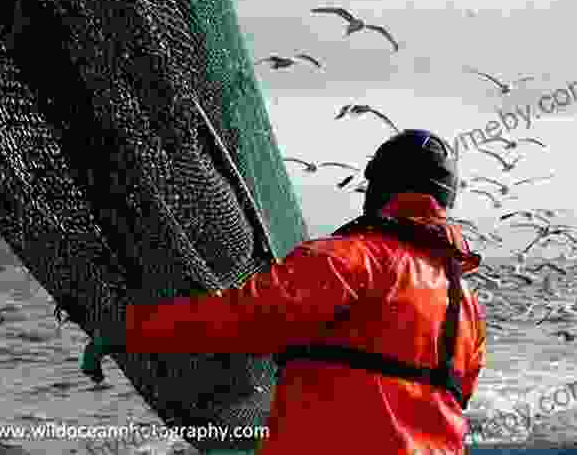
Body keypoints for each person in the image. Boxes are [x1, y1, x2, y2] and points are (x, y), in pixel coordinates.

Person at [87, 129, 487, 455]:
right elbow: (455, 395)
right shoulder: (467, 307)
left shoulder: (347, 258)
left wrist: (128, 330)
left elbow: (243, 319)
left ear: (379, 186)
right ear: (445, 200)